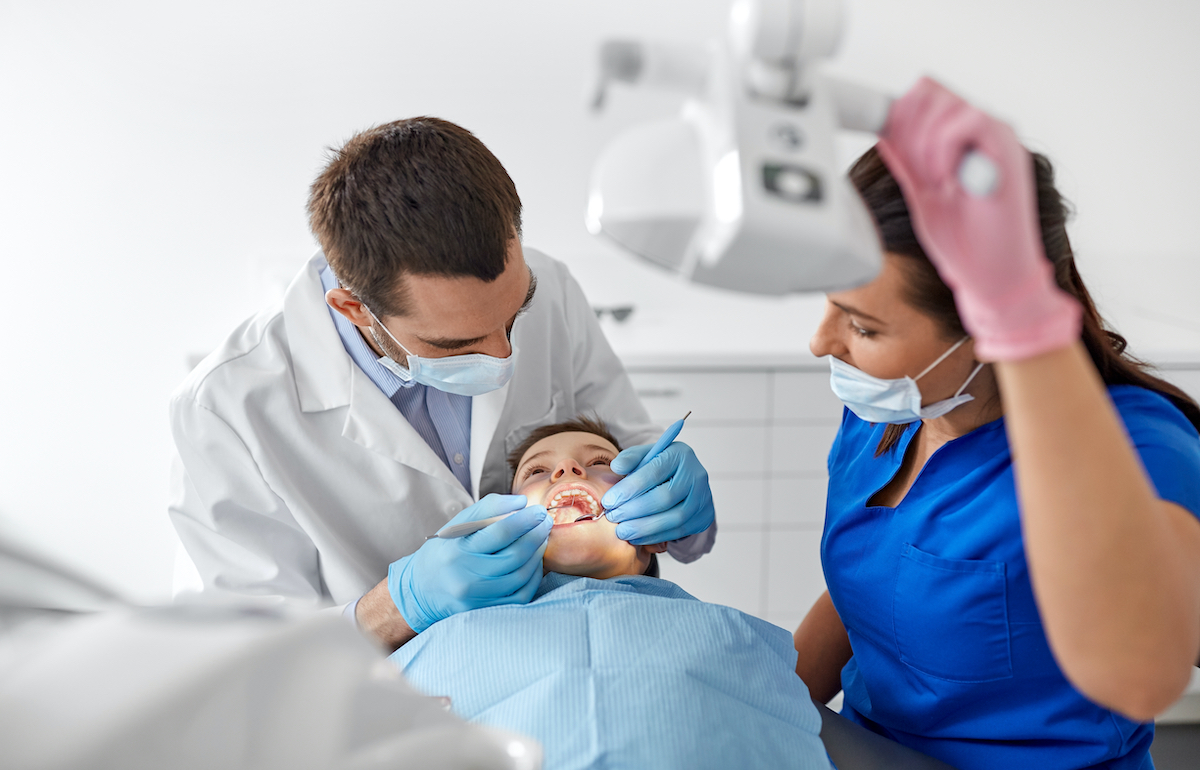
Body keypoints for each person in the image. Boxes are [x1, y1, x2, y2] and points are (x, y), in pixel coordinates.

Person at [168, 117, 716, 650]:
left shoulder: (551, 285)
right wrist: (396, 607)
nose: (504, 356)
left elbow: (633, 456)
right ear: (354, 307)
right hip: (384, 711)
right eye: (457, 346)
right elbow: (240, 662)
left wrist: (676, 510)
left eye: (516, 315)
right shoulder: (225, 408)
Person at [793, 78, 1200, 769]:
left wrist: (1023, 317)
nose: (821, 341)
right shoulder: (886, 413)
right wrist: (763, 707)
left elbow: (1143, 674)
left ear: (982, 331)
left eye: (862, 325)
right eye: (828, 304)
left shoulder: (1139, 448)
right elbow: (868, 583)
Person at [391, 416, 832, 770]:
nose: (567, 471)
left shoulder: (735, 634)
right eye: (537, 471)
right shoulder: (447, 629)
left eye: (601, 463)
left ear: (657, 532)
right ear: (499, 526)